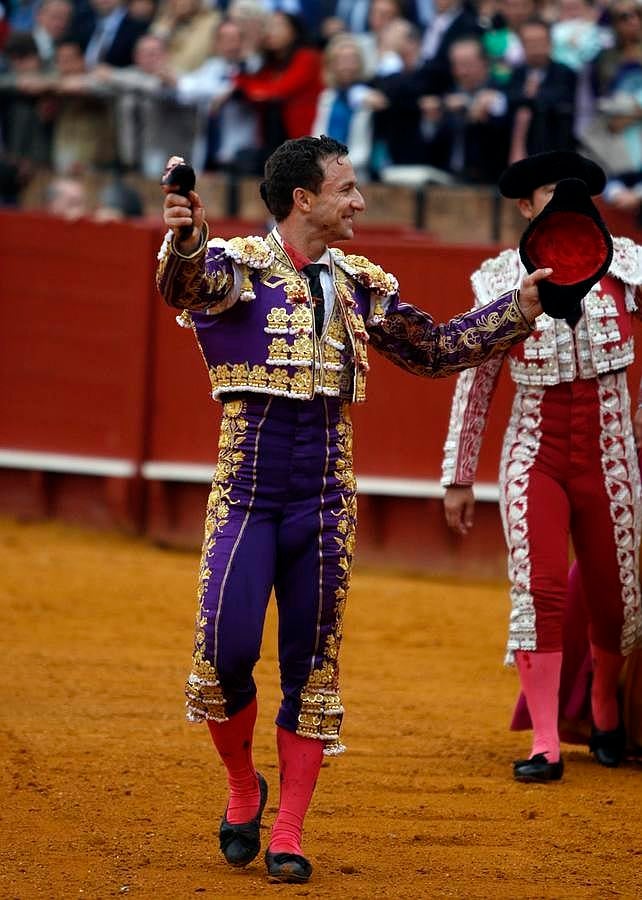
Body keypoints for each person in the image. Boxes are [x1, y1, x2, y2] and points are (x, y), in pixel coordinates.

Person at [156, 136, 548, 884]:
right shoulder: (236, 269)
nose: (360, 202)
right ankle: (243, 786)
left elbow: (434, 348)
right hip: (246, 495)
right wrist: (184, 233)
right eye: (346, 189)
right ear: (303, 199)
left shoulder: (360, 285)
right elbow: (185, 285)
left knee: (312, 665)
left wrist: (518, 309)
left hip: (324, 499)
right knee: (226, 653)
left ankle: (290, 830)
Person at [441, 149, 642, 783]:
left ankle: (604, 706)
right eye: (551, 191)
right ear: (526, 206)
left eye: (573, 190)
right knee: (540, 590)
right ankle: (546, 742)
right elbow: (477, 380)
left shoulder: (627, 266)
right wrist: (458, 475)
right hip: (536, 453)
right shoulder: (502, 280)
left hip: (612, 453)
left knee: (616, 599)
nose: (564, 201)